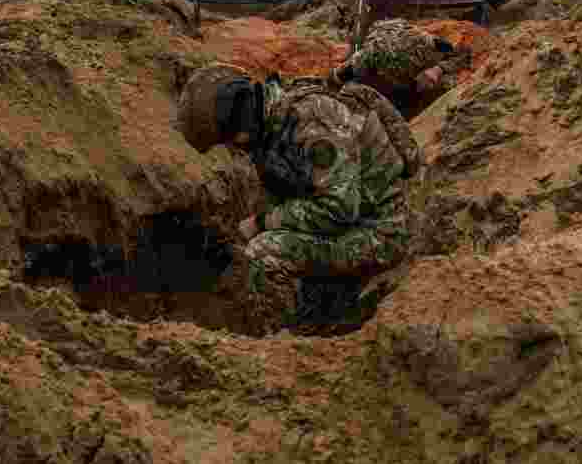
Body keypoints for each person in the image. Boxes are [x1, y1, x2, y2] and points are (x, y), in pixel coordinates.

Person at [175, 62, 420, 335]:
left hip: (382, 233)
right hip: (355, 223)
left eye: (229, 140)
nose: (233, 148)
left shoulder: (312, 123)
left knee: (263, 251)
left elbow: (338, 209)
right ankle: (322, 298)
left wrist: (262, 223)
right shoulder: (275, 120)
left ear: (239, 129)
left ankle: (289, 334)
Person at [330, 17, 467, 116]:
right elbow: (339, 76)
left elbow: (462, 53)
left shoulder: (427, 43)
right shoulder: (367, 57)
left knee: (446, 85)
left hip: (415, 74)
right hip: (389, 86)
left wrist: (437, 70)